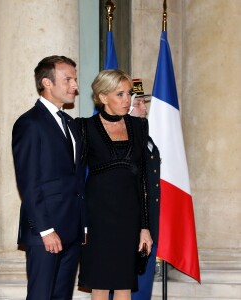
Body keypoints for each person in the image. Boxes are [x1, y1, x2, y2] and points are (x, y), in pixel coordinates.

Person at [12, 55, 86, 300]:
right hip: (46, 231)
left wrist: (82, 223)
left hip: (72, 231)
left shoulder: (71, 124)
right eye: (68, 80)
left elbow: (76, 180)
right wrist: (45, 230)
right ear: (47, 83)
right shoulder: (29, 123)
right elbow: (29, 182)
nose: (75, 85)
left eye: (75, 79)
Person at [77, 69, 153, 300]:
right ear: (102, 97)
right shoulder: (84, 127)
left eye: (128, 94)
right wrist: (80, 221)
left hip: (129, 216)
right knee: (99, 284)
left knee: (124, 284)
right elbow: (76, 177)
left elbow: (143, 180)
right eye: (119, 94)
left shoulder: (139, 126)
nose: (127, 100)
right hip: (97, 216)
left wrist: (145, 227)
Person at [130, 79, 161, 300]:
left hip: (150, 223)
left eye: (143, 102)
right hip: (133, 225)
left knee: (144, 282)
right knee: (129, 283)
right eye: (139, 102)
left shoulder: (144, 136)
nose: (144, 107)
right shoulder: (124, 139)